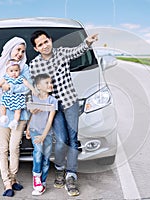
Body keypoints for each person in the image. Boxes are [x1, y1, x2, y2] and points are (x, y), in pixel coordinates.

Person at [29, 30, 98, 196]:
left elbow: (78, 50)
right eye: (40, 44)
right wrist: (34, 106)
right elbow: (34, 88)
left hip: (70, 102)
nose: (45, 46)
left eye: (46, 41)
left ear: (50, 40)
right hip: (52, 107)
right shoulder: (34, 65)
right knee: (61, 140)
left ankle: (71, 176)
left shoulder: (62, 53)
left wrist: (88, 42)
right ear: (36, 48)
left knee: (73, 139)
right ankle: (59, 168)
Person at [0, 37, 32, 197]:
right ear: (9, 49)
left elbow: (27, 88)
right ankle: (7, 182)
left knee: (15, 148)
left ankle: (13, 178)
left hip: (20, 115)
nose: (20, 53)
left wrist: (9, 87)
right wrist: (1, 88)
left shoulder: (25, 68)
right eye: (17, 50)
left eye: (22, 51)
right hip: (3, 115)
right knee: (3, 148)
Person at [26, 73, 58, 196]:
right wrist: (28, 127)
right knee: (38, 153)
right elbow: (32, 114)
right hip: (35, 130)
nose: (51, 85)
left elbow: (50, 120)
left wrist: (44, 135)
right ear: (39, 86)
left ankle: (42, 183)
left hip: (47, 133)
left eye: (51, 83)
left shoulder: (53, 101)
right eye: (47, 83)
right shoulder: (34, 98)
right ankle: (36, 178)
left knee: (46, 158)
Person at [0, 59, 38, 130]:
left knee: (18, 110)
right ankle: (3, 116)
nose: (14, 73)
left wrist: (33, 89)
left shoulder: (21, 78)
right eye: (11, 71)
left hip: (17, 98)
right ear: (7, 71)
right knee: (2, 105)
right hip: (8, 97)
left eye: (16, 71)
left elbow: (27, 84)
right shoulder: (6, 77)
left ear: (19, 70)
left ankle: (15, 121)